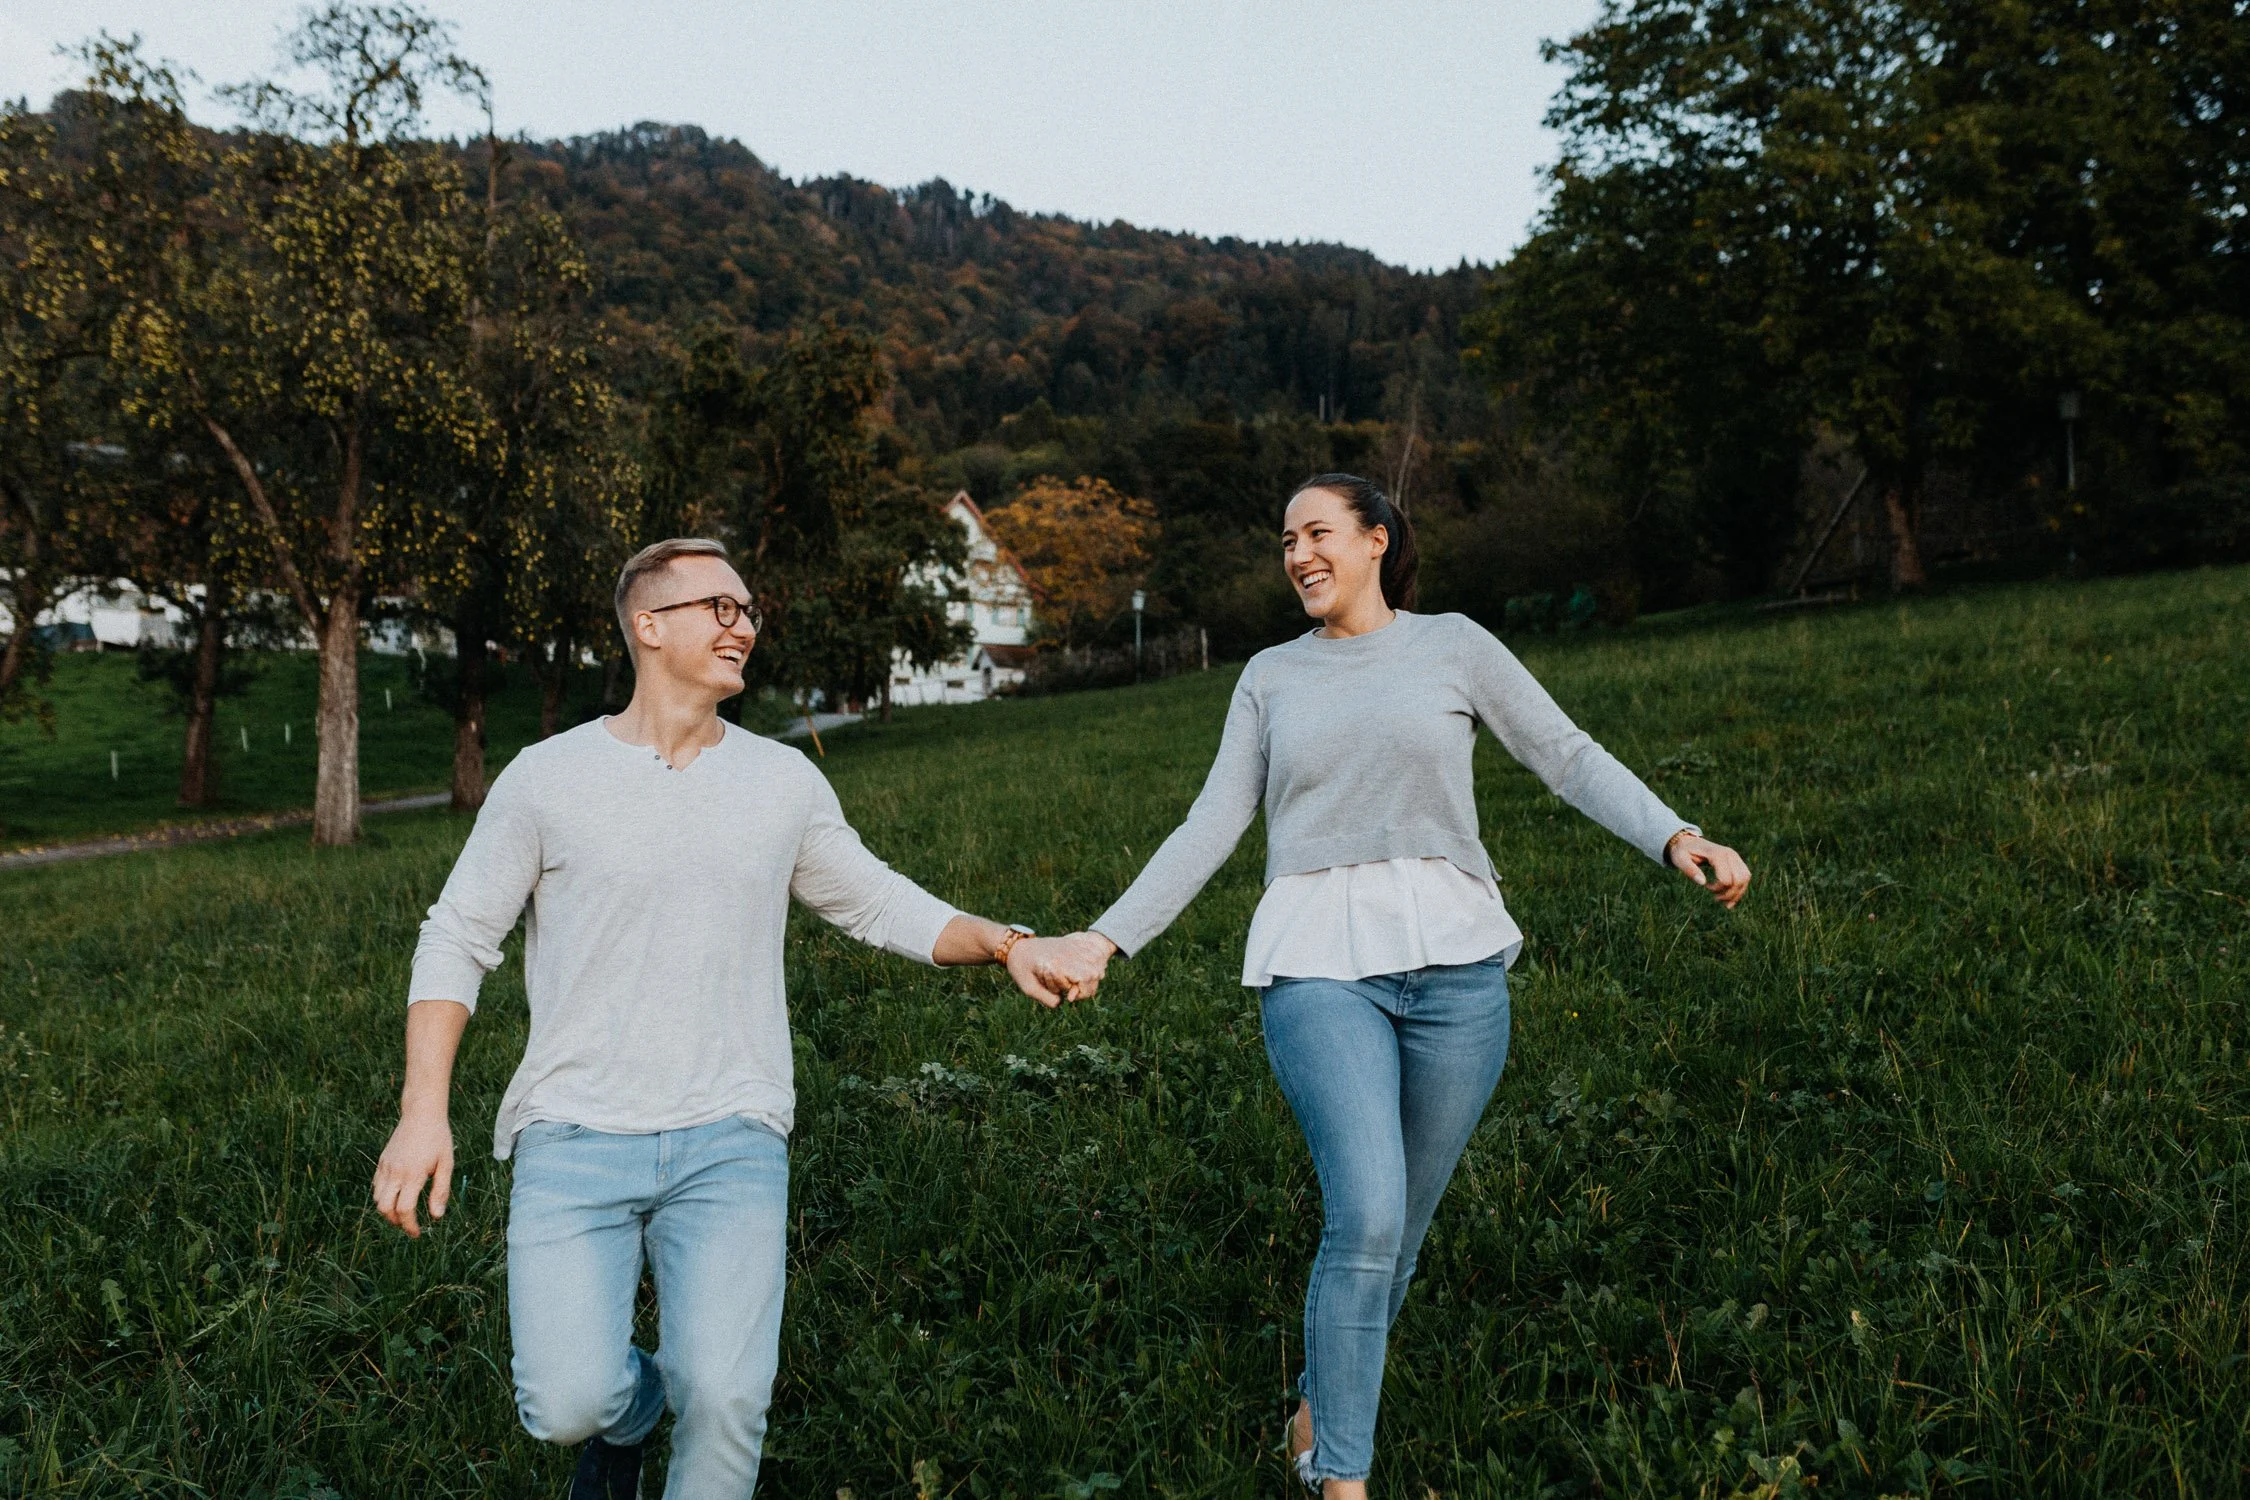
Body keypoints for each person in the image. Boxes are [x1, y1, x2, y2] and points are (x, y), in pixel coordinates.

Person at [1034, 475, 1751, 1497]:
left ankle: (1322, 1396)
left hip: (1457, 971)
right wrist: (1108, 938)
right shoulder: (1271, 677)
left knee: (1399, 1231)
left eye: (1317, 532)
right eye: (1285, 539)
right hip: (1321, 964)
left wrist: (1675, 833)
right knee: (1366, 1214)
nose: (1297, 554)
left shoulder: (1452, 644)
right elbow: (1210, 824)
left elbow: (1565, 756)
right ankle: (1342, 1480)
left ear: (1377, 540)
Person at [371, 537, 1078, 1499]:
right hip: (573, 1133)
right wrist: (423, 1112)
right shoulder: (545, 778)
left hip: (731, 1134)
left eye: (750, 610)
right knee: (566, 1400)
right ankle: (628, 1417)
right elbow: (455, 939)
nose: (743, 626)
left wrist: (1008, 942)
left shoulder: (780, 783)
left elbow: (878, 903)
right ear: (648, 625)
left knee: (727, 1399)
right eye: (720, 607)